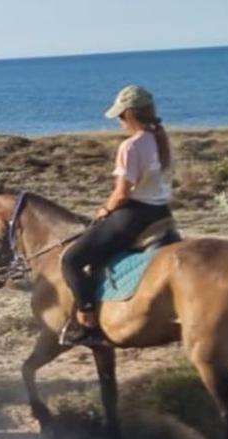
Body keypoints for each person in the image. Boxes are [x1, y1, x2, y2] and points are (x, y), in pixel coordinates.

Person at [59, 85, 174, 347]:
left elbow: (122, 193)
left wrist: (105, 210)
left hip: (135, 215)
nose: (120, 122)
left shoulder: (131, 146)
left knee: (72, 259)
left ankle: (87, 323)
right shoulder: (161, 140)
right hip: (161, 213)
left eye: (121, 116)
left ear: (130, 115)